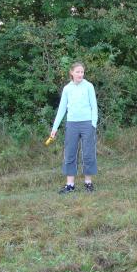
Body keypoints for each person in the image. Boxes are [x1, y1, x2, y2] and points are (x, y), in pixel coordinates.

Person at [50, 61, 98, 194]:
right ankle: (70, 185)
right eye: (77, 72)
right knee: (70, 153)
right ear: (71, 73)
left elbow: (94, 106)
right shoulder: (67, 88)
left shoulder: (89, 86)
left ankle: (88, 183)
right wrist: (54, 128)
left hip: (87, 124)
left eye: (82, 72)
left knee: (88, 153)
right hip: (72, 124)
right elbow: (61, 109)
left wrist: (93, 123)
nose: (80, 74)